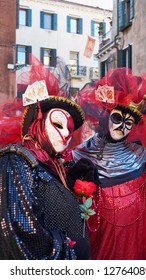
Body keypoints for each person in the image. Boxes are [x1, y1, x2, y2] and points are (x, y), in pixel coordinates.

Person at [67, 68, 146, 260]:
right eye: (117, 118)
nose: (121, 127)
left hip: (136, 242)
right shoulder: (78, 156)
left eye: (129, 122)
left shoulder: (145, 157)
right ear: (107, 116)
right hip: (98, 245)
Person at [0, 60, 95, 260]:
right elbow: (20, 231)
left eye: (70, 130)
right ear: (38, 123)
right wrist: (68, 251)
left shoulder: (51, 166)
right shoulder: (17, 160)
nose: (66, 134)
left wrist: (69, 183)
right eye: (59, 124)